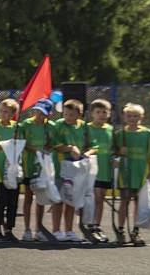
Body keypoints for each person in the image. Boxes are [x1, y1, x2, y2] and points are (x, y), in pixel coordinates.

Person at [113, 103, 150, 246]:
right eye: (129, 116)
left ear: (141, 117)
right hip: (125, 174)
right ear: (124, 117)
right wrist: (119, 153)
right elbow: (114, 154)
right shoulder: (120, 134)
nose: (132, 118)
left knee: (138, 204)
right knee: (124, 203)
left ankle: (135, 231)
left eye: (135, 116)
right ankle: (120, 231)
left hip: (141, 175)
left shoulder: (147, 134)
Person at [18, 98, 55, 242]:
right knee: (28, 196)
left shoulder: (50, 126)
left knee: (40, 198)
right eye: (37, 111)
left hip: (43, 167)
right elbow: (23, 143)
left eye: (43, 113)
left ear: (49, 114)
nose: (39, 115)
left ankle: (39, 229)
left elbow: (52, 143)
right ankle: (27, 229)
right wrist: (36, 150)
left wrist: (47, 149)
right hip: (29, 166)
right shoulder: (26, 125)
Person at [51, 99, 88, 242]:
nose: (68, 117)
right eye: (66, 114)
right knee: (58, 200)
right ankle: (55, 230)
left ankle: (69, 231)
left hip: (76, 169)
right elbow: (55, 145)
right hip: (61, 168)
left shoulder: (84, 127)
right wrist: (70, 148)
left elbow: (88, 144)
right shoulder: (59, 125)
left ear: (79, 114)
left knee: (71, 200)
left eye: (71, 115)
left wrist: (86, 153)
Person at [0, 99, 19, 241]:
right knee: (1, 201)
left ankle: (9, 228)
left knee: (13, 202)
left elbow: (20, 146)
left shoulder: (17, 127)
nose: (2, 114)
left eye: (6, 111)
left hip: (13, 171)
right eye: (1, 111)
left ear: (13, 114)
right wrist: (2, 145)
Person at [86, 99, 114, 242]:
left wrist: (115, 157)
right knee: (93, 199)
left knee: (100, 199)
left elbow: (113, 149)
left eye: (105, 112)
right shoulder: (87, 128)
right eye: (98, 112)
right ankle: (89, 224)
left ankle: (96, 225)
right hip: (90, 170)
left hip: (105, 171)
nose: (101, 115)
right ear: (92, 113)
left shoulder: (110, 129)